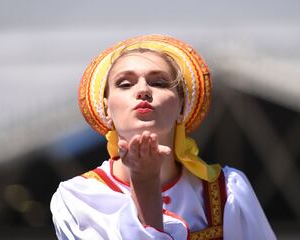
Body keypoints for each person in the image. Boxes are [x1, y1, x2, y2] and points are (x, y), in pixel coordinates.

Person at [50, 35, 276, 240]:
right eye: (125, 84)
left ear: (181, 108)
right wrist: (144, 181)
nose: (143, 90)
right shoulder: (80, 198)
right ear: (106, 110)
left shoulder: (227, 190)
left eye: (158, 83)